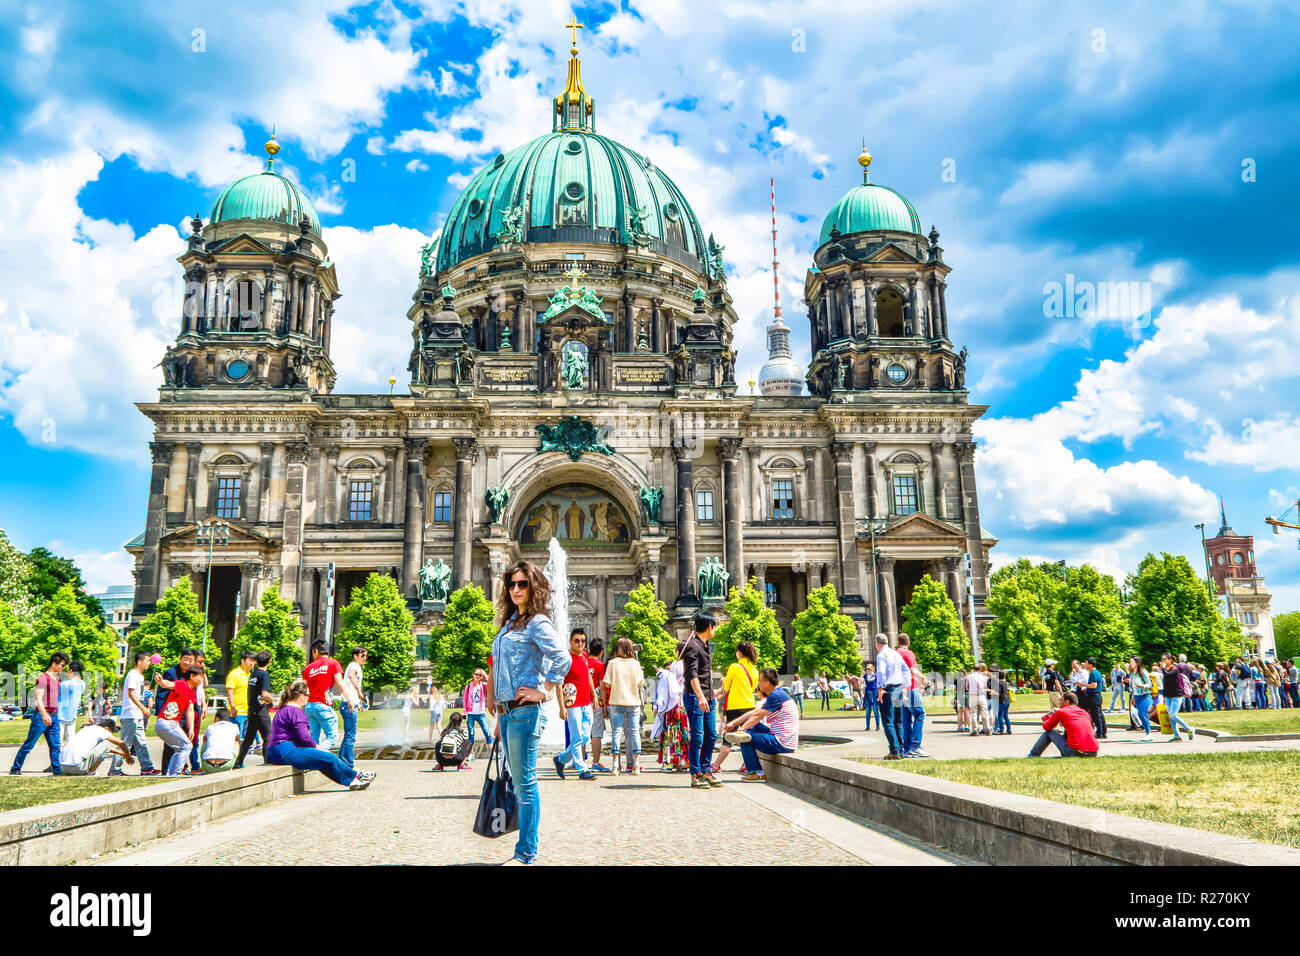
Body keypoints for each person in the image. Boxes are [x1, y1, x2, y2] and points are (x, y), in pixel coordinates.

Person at [485, 559, 570, 865]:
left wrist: (544, 691)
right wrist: (496, 713)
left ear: (534, 587)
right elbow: (499, 664)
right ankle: (525, 850)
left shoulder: (538, 622)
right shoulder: (509, 624)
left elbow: (562, 658)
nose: (516, 589)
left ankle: (526, 853)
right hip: (508, 715)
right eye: (511, 584)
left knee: (525, 783)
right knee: (519, 782)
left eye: (522, 584)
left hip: (525, 713)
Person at [266, 680, 376, 790]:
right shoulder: (295, 711)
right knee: (329, 757)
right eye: (308, 695)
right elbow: (304, 737)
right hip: (285, 751)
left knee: (322, 760)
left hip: (276, 751)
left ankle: (353, 778)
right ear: (301, 696)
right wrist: (318, 748)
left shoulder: (283, 710)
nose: (308, 698)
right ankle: (354, 779)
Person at [723, 668, 799, 782]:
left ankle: (757, 773)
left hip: (782, 742)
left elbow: (757, 716)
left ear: (767, 683)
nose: (758, 683)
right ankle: (754, 770)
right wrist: (734, 723)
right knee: (750, 729)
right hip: (782, 739)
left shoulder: (776, 696)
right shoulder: (778, 694)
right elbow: (754, 713)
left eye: (760, 680)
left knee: (745, 738)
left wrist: (741, 731)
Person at [9, 652, 68, 775]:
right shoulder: (43, 678)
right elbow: (38, 698)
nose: (63, 668)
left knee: (55, 745)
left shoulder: (57, 679)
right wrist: (44, 714)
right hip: (41, 716)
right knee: (29, 744)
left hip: (54, 716)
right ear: (54, 664)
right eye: (62, 665)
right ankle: (15, 768)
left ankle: (57, 771)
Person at [682, 610, 722, 789]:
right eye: (714, 626)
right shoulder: (693, 646)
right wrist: (700, 696)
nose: (715, 629)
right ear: (708, 626)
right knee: (697, 737)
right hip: (695, 697)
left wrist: (712, 694)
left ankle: (706, 769)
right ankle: (696, 773)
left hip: (708, 696)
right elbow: (692, 674)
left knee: (711, 734)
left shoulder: (705, 645)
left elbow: (705, 674)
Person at [553, 628, 597, 781]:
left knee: (585, 736)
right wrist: (561, 707)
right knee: (577, 736)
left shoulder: (584, 656)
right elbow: (558, 682)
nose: (580, 643)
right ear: (570, 642)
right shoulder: (566, 658)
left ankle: (561, 759)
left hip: (586, 701)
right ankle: (582, 769)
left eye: (583, 641)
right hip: (572, 702)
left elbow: (588, 677)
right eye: (577, 640)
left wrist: (594, 695)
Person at [712, 640, 759, 772]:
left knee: (728, 738)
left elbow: (726, 688)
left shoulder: (734, 667)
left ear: (739, 653)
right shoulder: (755, 670)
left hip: (734, 706)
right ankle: (746, 764)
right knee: (747, 736)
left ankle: (716, 765)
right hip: (750, 706)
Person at [302, 641, 358, 750]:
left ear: (316, 651)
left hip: (309, 706)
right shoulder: (333, 663)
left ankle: (310, 760)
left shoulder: (308, 668)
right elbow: (340, 684)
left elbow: (304, 690)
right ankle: (316, 755)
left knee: (313, 738)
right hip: (323, 705)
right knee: (332, 737)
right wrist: (349, 699)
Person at [604, 637, 645, 775]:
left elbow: (607, 683)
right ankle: (636, 765)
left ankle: (615, 765)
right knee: (634, 732)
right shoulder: (635, 664)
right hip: (633, 702)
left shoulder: (612, 663)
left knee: (616, 732)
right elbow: (640, 684)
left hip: (616, 701)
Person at [153, 648, 196, 773]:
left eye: (190, 660)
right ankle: (167, 770)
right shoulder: (171, 673)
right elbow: (162, 693)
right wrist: (160, 712)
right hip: (170, 713)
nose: (187, 662)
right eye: (185, 659)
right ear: (180, 659)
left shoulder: (191, 675)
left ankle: (180, 768)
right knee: (170, 744)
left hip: (183, 713)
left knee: (183, 742)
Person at [119, 651, 159, 775]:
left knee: (141, 742)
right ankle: (114, 770)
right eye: (147, 661)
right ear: (140, 661)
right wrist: (143, 708)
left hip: (137, 715)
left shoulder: (140, 677)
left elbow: (140, 696)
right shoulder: (132, 675)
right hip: (130, 714)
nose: (149, 663)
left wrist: (142, 709)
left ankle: (147, 767)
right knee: (124, 743)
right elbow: (131, 693)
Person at [234, 651, 275, 769]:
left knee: (248, 738)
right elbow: (264, 693)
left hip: (252, 710)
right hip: (261, 711)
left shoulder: (253, 674)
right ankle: (268, 761)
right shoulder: (264, 675)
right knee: (268, 737)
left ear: (256, 661)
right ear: (269, 661)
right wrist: (273, 701)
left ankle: (238, 762)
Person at [1027, 692, 1099, 758]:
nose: (1059, 702)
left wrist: (1048, 719)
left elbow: (1047, 727)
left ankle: (1033, 755)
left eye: (1061, 700)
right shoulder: (1084, 713)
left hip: (1075, 751)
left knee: (1049, 732)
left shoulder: (1061, 711)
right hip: (1093, 751)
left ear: (1067, 702)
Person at [653, 642, 688, 772]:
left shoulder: (675, 666)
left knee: (670, 732)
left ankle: (669, 761)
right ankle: (683, 761)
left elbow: (668, 684)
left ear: (678, 651)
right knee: (683, 732)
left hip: (673, 704)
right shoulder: (691, 665)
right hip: (685, 704)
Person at [60, 718, 136, 776]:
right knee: (106, 743)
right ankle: (91, 773)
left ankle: (88, 771)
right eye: (111, 732)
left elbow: (101, 749)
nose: (110, 734)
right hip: (77, 767)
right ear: (106, 728)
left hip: (62, 767)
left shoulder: (87, 729)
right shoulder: (102, 731)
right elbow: (121, 743)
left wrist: (120, 753)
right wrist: (128, 756)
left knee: (104, 745)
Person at [874, 634, 909, 759]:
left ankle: (894, 751)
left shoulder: (881, 655)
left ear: (877, 643)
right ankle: (900, 750)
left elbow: (881, 672)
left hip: (888, 689)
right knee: (898, 721)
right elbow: (906, 670)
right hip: (898, 688)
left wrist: (880, 688)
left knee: (888, 721)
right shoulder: (896, 654)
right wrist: (905, 686)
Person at [896, 633, 929, 757]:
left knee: (906, 719)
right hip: (910, 688)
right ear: (908, 643)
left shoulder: (895, 654)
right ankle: (915, 746)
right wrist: (923, 677)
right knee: (920, 714)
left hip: (899, 690)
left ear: (898, 642)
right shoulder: (908, 653)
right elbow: (913, 670)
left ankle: (907, 748)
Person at [1160, 653, 1196, 742]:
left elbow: (1168, 675)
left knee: (1173, 714)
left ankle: (1189, 729)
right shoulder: (1166, 670)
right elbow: (1165, 682)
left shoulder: (1175, 669)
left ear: (1170, 660)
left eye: (1165, 659)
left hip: (1176, 695)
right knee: (1171, 716)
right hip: (1168, 696)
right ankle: (1177, 735)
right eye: (1162, 659)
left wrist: (1163, 668)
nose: (1163, 661)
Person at [586, 637, 610, 772]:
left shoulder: (583, 663)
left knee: (583, 732)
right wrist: (605, 707)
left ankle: (580, 762)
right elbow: (602, 687)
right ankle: (595, 762)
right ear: (601, 652)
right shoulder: (601, 666)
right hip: (596, 702)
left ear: (589, 650)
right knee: (596, 733)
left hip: (583, 701)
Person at [340, 646, 366, 765]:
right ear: (355, 656)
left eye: (366, 656)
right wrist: (359, 691)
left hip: (350, 703)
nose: (364, 658)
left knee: (349, 735)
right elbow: (351, 676)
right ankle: (348, 763)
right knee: (350, 736)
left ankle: (343, 760)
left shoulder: (355, 666)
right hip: (348, 704)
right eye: (362, 656)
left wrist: (358, 703)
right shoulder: (354, 666)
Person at [200, 707, 241, 773]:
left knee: (205, 742)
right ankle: (236, 764)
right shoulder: (234, 727)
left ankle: (203, 769)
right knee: (236, 743)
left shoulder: (210, 727)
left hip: (207, 766)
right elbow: (238, 741)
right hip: (226, 765)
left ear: (216, 718)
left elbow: (204, 740)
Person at [463, 668, 493, 754]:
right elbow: (465, 701)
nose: (478, 676)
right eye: (476, 674)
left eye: (480, 675)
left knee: (487, 732)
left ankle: (492, 753)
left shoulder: (483, 685)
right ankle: (471, 754)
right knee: (471, 734)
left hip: (481, 714)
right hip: (471, 714)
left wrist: (484, 673)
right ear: (473, 675)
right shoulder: (468, 687)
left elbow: (490, 682)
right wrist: (465, 713)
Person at [57, 660, 86, 748]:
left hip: (60, 714)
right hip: (72, 714)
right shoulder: (82, 684)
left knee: (58, 741)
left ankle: (58, 760)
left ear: (70, 671)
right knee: (71, 740)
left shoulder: (65, 684)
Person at [225, 651, 254, 739]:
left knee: (245, 741)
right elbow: (229, 691)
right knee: (236, 739)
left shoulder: (250, 675)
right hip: (237, 713)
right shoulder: (234, 674)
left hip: (247, 712)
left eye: (254, 661)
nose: (252, 663)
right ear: (242, 660)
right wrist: (233, 706)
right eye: (250, 660)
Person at [1079, 657, 1107, 739]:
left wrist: (1084, 685)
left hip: (1094, 695)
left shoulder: (1093, 673)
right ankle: (1103, 732)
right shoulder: (1096, 672)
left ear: (1091, 664)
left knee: (1096, 715)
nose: (1085, 665)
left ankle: (1100, 733)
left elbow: (1094, 685)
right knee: (1099, 714)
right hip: (1096, 695)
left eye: (1086, 663)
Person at [1129, 656, 1153, 741]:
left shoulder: (1143, 672)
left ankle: (1149, 734)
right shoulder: (1132, 673)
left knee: (1141, 713)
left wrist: (1142, 686)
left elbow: (1150, 685)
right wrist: (1133, 697)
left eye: (1131, 661)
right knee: (1143, 714)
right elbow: (1132, 686)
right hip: (1137, 696)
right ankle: (1148, 733)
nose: (1130, 663)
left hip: (1145, 695)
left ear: (1137, 663)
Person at [965, 664, 989, 737]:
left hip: (973, 696)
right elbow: (985, 686)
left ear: (973, 668)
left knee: (974, 713)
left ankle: (975, 730)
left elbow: (967, 687)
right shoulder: (983, 677)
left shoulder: (969, 677)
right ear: (980, 669)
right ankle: (987, 729)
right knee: (984, 712)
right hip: (981, 695)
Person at [993, 669, 1013, 735]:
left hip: (1002, 701)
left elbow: (998, 693)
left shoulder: (999, 683)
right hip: (1007, 701)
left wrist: (992, 692)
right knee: (1005, 716)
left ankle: (1001, 730)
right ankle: (1009, 729)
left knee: (1000, 716)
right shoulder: (1005, 682)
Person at [862, 662, 879, 731]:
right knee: (868, 710)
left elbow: (879, 684)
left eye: (868, 669)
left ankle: (877, 726)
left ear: (872, 669)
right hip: (868, 693)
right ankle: (867, 726)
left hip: (875, 692)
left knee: (875, 710)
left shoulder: (876, 675)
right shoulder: (866, 676)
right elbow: (860, 682)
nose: (867, 670)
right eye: (866, 669)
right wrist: (861, 675)